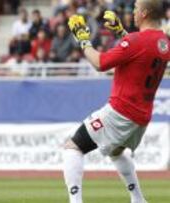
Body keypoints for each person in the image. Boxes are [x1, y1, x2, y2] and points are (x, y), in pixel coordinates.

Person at [63, 0, 169, 203]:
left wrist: (83, 40)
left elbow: (99, 63)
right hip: (142, 116)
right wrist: (121, 32)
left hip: (121, 110)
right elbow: (143, 52)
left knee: (73, 146)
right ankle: (138, 199)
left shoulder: (136, 41)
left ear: (145, 13)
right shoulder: (163, 42)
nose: (133, 13)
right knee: (116, 151)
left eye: (136, 9)